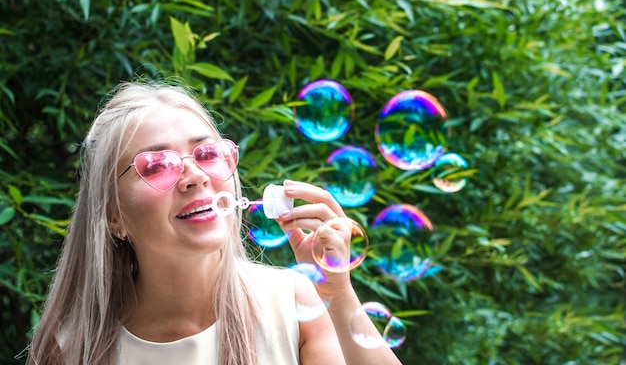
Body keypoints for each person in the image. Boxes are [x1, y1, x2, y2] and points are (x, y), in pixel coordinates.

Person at [26, 80, 403, 365]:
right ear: (113, 215)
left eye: (207, 153)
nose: (196, 176)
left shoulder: (292, 304)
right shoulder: (74, 350)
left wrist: (337, 295)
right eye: (156, 165)